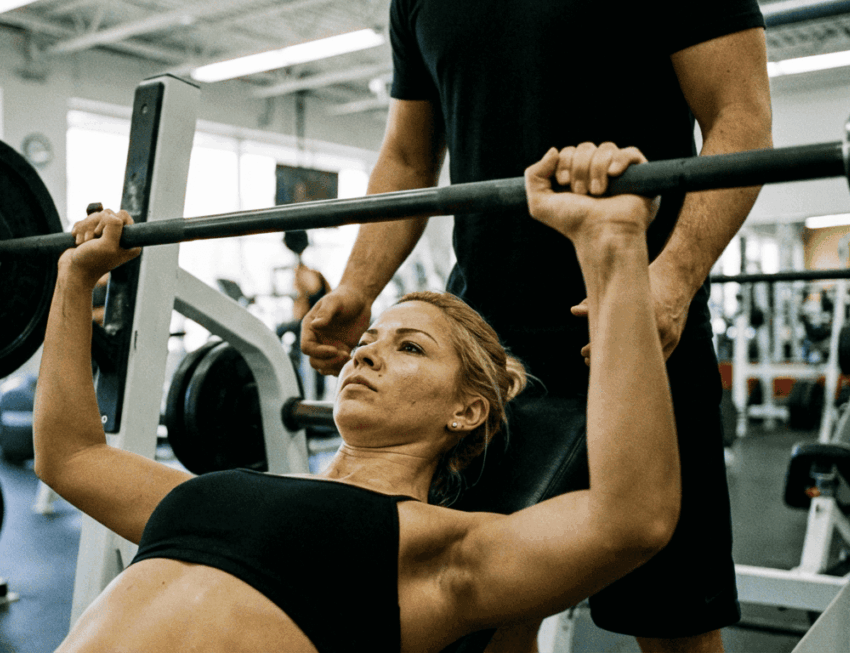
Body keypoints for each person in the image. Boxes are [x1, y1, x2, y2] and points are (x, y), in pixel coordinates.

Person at [34, 144, 678, 652]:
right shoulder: (212, 491)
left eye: (410, 347)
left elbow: (631, 520)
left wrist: (611, 248)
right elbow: (68, 455)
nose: (365, 354)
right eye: (369, 340)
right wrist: (74, 277)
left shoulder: (432, 548)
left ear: (466, 411)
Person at [302, 2, 773, 651]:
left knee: (672, 619)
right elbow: (408, 157)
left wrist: (672, 278)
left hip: (637, 319)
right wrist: (357, 287)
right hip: (483, 353)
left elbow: (740, 118)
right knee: (481, 611)